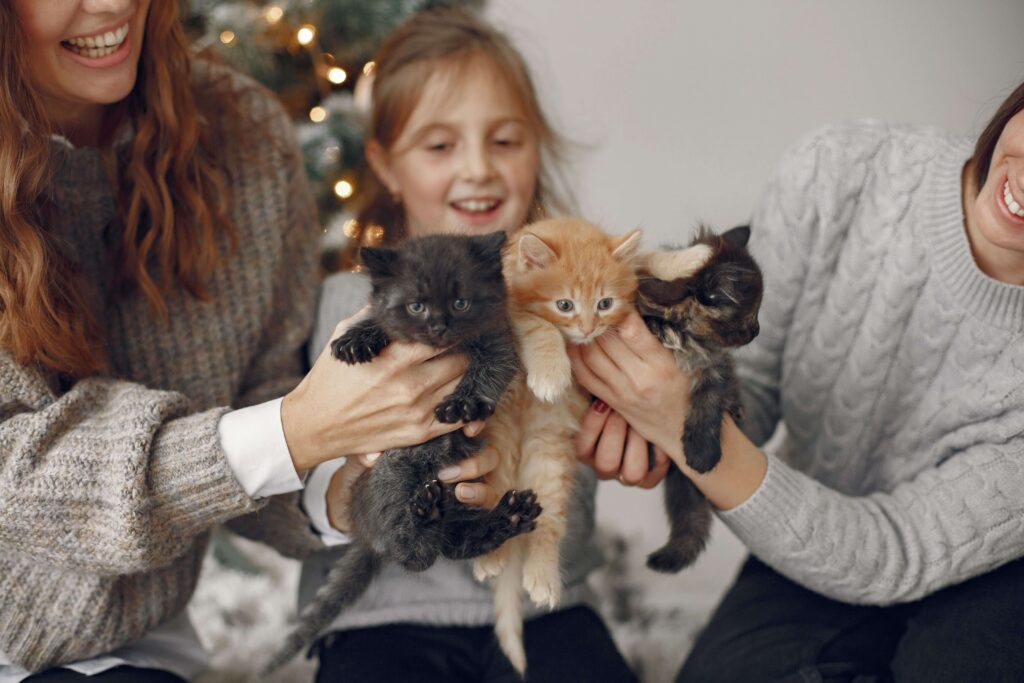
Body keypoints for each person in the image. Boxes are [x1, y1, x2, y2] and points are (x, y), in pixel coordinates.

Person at [0, 1, 484, 681]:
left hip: (137, 640)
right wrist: (295, 430)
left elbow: (267, 394)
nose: (110, 6)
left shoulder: (242, 134)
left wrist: (347, 481)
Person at [570, 81, 1024, 681]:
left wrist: (689, 430)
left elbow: (894, 552)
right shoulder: (843, 169)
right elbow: (750, 385)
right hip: (815, 526)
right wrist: (654, 418)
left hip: (989, 570)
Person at [301, 8, 649, 682]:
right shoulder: (348, 307)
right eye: (439, 146)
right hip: (381, 614)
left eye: (506, 141)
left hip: (545, 602)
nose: (478, 169)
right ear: (385, 164)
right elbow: (315, 476)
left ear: (537, 147)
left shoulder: (572, 303)